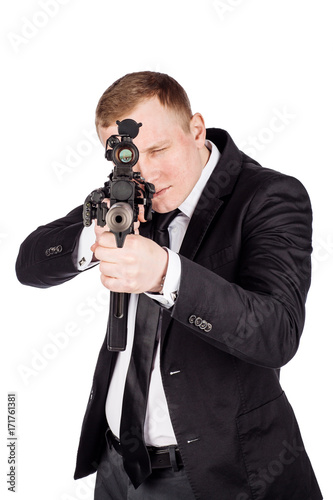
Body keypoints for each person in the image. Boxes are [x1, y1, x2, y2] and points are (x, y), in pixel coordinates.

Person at [16, 71, 323, 500]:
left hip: (216, 476)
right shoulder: (129, 194)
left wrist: (165, 273)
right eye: (131, 158)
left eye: (160, 149)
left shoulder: (270, 196)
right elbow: (28, 264)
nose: (150, 174)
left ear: (196, 130)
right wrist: (93, 236)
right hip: (115, 468)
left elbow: (278, 333)